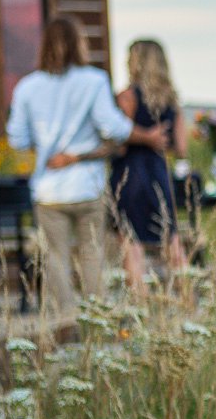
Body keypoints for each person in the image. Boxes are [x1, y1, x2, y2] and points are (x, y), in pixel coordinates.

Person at [6, 16, 165, 316]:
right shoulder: (94, 81)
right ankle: (97, 318)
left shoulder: (28, 87)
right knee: (92, 253)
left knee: (55, 256)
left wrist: (43, 148)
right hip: (87, 185)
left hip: (49, 186)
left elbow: (16, 138)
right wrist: (146, 136)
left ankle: (65, 318)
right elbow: (114, 128)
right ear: (79, 44)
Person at [61, 38, 188, 291]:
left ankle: (138, 300)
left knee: (131, 242)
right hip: (158, 173)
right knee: (171, 238)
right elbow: (181, 147)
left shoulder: (127, 97)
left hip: (130, 175)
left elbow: (118, 140)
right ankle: (188, 298)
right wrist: (156, 139)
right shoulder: (171, 100)